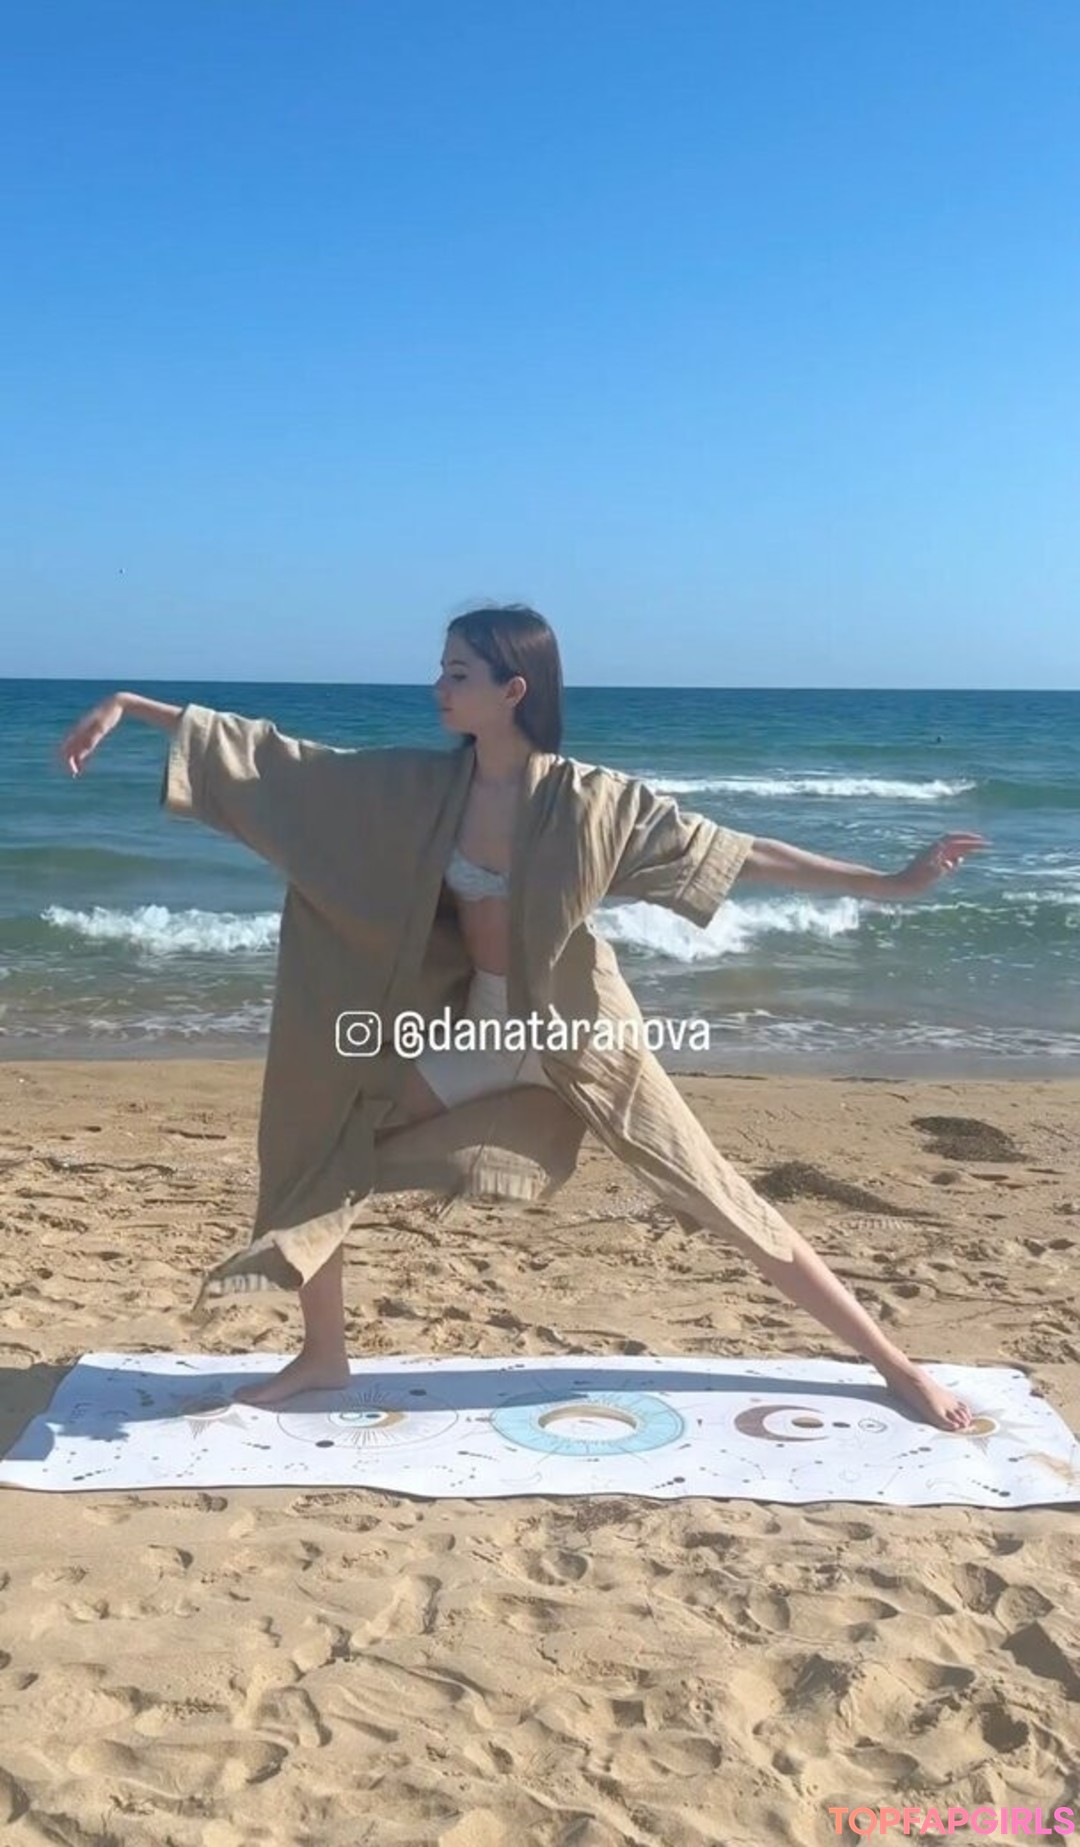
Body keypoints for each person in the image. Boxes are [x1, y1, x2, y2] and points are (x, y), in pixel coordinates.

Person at [58, 605, 987, 1429]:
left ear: (514, 689)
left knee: (714, 1194)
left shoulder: (593, 802)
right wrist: (133, 707)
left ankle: (893, 1365)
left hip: (582, 1038)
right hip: (485, 1035)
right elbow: (285, 764)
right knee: (326, 1136)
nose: (438, 686)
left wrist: (888, 883)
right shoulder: (423, 789)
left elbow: (737, 853)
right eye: (441, 668)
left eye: (458, 672)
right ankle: (323, 1352)